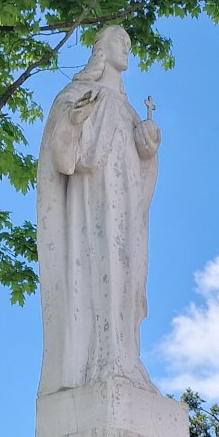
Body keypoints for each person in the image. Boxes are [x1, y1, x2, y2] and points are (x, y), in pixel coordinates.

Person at [36, 26, 163, 396]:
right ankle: (101, 361)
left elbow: (142, 170)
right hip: (92, 206)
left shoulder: (129, 111)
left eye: (129, 43)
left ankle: (127, 359)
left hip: (127, 209)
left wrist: (148, 147)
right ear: (100, 50)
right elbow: (65, 159)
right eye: (119, 41)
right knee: (101, 273)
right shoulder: (77, 94)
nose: (126, 47)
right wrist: (74, 122)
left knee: (130, 277)